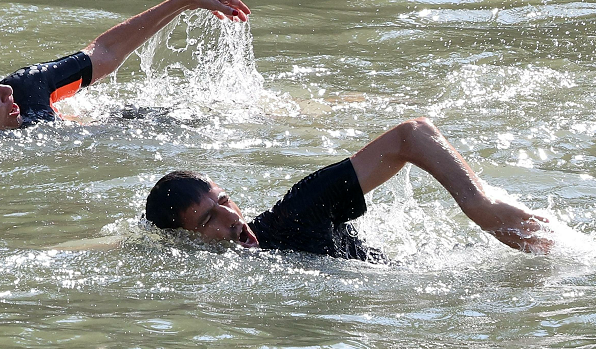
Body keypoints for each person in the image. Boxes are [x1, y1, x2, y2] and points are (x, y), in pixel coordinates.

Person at [145, 118, 554, 262]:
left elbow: (411, 136)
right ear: (184, 240)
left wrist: (480, 204)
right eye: (208, 220)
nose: (232, 217)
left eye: (224, 201)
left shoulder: (295, 214)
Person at [0, 0, 251, 131]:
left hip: (131, 121)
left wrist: (186, 0)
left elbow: (104, 52)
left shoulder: (26, 87)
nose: (6, 93)